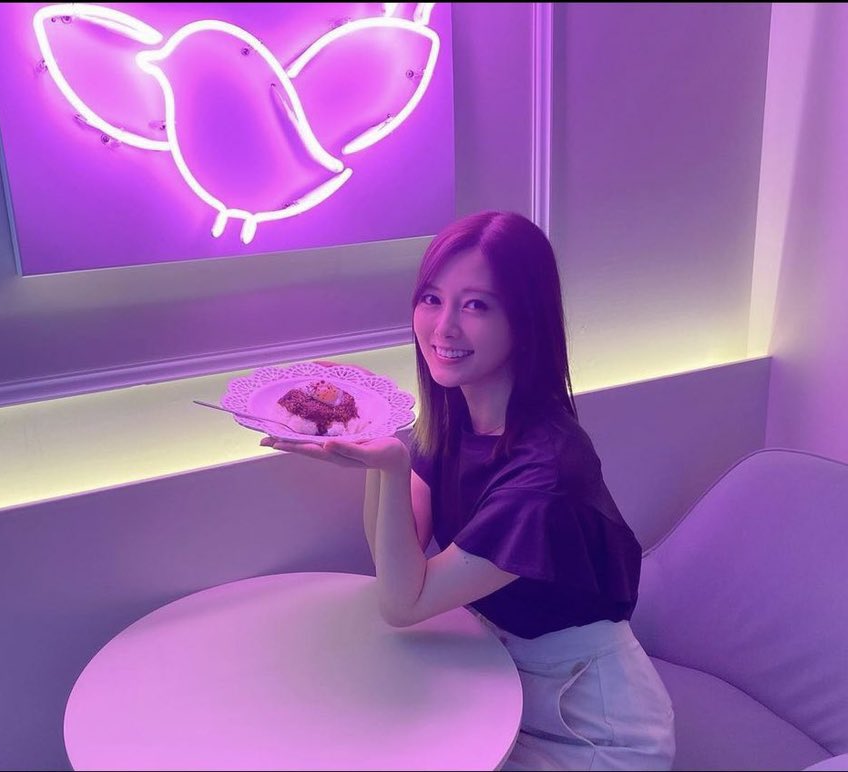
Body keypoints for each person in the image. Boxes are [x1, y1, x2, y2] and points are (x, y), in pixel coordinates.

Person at [261, 211, 675, 770]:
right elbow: (395, 565)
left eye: (476, 305)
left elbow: (403, 605)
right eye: (432, 299)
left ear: (524, 321)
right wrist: (372, 442)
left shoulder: (547, 473)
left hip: (591, 728)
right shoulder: (456, 415)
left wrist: (390, 467)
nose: (444, 327)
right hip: (500, 681)